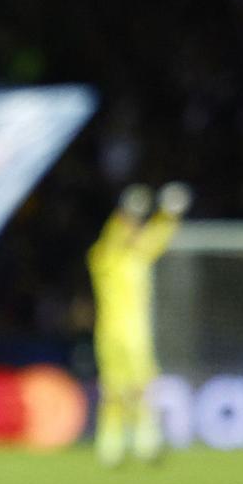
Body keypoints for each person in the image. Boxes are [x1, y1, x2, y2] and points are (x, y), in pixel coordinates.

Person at [89, 181, 190, 465]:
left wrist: (168, 215)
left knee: (142, 388)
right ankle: (111, 443)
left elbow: (157, 237)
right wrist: (127, 213)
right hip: (112, 332)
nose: (134, 229)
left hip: (135, 333)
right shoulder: (105, 257)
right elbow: (116, 233)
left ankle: (144, 441)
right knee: (113, 389)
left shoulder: (138, 257)